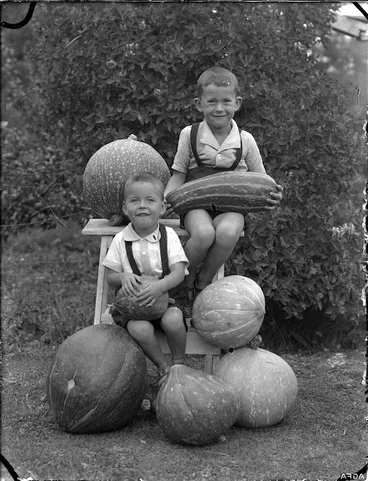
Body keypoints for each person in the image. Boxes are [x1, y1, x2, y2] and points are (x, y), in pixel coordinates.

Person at [164, 66, 283, 300]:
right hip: (195, 204)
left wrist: (274, 195)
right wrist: (167, 199)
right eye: (211, 102)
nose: (219, 109)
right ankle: (183, 285)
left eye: (226, 102)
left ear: (237, 103)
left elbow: (262, 180)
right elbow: (178, 174)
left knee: (228, 232)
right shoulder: (190, 134)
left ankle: (203, 280)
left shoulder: (245, 140)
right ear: (199, 104)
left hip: (232, 205)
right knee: (203, 234)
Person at [103, 172, 189, 387]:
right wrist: (123, 276)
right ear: (125, 208)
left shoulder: (169, 236)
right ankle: (162, 365)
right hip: (133, 308)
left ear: (161, 207)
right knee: (138, 329)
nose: (142, 206)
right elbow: (110, 277)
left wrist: (160, 286)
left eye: (150, 200)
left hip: (164, 300)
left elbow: (179, 273)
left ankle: (179, 363)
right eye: (135, 200)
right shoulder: (120, 240)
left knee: (174, 320)